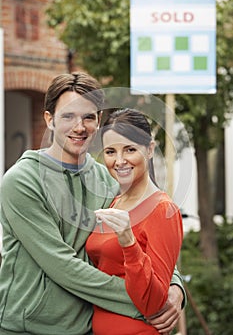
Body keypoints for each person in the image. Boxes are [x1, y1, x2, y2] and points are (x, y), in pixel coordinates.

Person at [0, 72, 185, 335]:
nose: (79, 127)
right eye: (68, 116)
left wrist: (174, 287)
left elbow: (149, 241)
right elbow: (62, 266)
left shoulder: (107, 180)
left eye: (88, 117)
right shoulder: (22, 182)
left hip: (90, 327)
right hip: (30, 327)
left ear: (98, 122)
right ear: (49, 120)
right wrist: (149, 303)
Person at [86, 108, 184, 335]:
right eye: (111, 152)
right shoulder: (114, 202)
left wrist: (129, 243)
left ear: (149, 149)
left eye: (130, 149)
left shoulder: (163, 210)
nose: (119, 161)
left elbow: (154, 302)